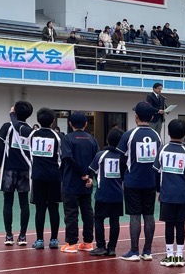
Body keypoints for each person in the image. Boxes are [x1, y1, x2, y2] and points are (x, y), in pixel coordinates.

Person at [118, 102, 162, 261]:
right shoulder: (156, 136)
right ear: (151, 117)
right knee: (149, 215)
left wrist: (122, 179)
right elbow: (159, 161)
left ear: (136, 116)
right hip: (150, 181)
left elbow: (122, 160)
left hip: (133, 181)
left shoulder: (128, 135)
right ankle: (148, 251)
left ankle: (134, 251)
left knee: (134, 216)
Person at [58, 112, 99, 253]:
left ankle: (71, 243)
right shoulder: (92, 140)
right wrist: (89, 176)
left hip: (71, 182)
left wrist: (82, 174)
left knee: (71, 213)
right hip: (87, 183)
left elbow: (67, 158)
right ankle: (88, 242)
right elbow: (96, 160)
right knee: (87, 212)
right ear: (86, 124)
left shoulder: (67, 139)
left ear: (70, 124)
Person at [156, 119, 185, 267]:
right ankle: (180, 256)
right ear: (184, 134)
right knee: (181, 225)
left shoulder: (162, 150)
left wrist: (159, 190)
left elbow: (157, 173)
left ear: (168, 132)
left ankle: (169, 255)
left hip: (167, 194)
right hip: (182, 195)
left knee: (169, 225)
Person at [0, 101, 34, 245]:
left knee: (8, 201)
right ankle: (23, 236)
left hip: (9, 169)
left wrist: (0, 163)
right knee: (24, 202)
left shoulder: (7, 127)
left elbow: (1, 148)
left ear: (14, 112)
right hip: (25, 169)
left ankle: (8, 235)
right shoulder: (29, 130)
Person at [28, 108, 62, 249]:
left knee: (40, 209)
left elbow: (29, 153)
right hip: (54, 176)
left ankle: (40, 240)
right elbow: (60, 157)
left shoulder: (32, 135)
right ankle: (54, 239)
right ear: (53, 120)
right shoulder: (57, 136)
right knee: (54, 207)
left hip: (38, 176)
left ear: (38, 120)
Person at [88, 128, 125, 257]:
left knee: (98, 219)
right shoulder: (123, 157)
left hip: (103, 194)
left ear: (107, 140)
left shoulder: (100, 155)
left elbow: (92, 171)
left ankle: (101, 246)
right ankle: (112, 248)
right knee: (114, 221)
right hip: (117, 195)